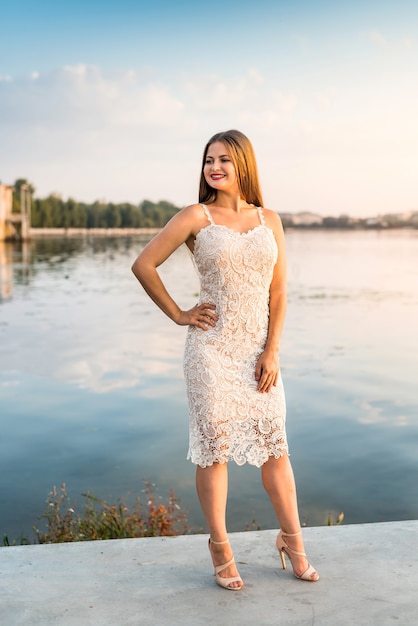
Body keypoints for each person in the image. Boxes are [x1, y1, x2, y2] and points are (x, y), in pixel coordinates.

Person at [131, 129, 319, 590]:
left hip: (258, 353)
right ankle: (220, 548)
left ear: (243, 166)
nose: (214, 167)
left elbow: (279, 292)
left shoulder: (269, 219)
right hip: (211, 351)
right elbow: (144, 264)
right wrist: (179, 314)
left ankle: (293, 542)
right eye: (208, 160)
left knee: (276, 448)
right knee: (214, 449)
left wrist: (272, 350)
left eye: (224, 160)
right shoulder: (196, 216)